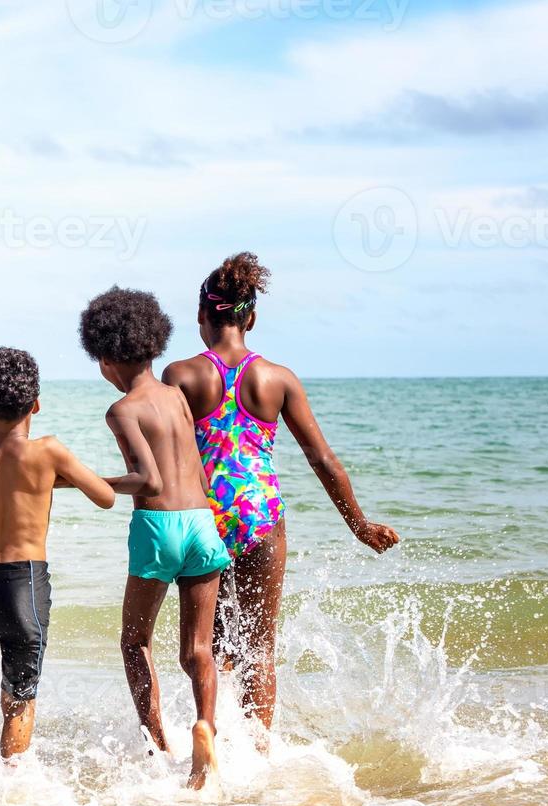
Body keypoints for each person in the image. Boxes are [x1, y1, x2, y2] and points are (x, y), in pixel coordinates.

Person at [163, 253, 400, 731]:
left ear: (202, 316)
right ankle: (258, 754)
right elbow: (323, 459)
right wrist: (359, 525)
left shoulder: (180, 376)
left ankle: (210, 736)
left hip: (201, 518)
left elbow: (173, 456)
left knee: (208, 644)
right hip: (260, 517)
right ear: (251, 317)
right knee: (259, 649)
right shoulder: (278, 379)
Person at [78, 287, 231, 788]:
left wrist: (85, 481)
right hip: (202, 522)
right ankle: (205, 726)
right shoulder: (177, 398)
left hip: (158, 526)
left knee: (134, 640)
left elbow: (148, 480)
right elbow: (193, 470)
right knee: (198, 650)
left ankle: (158, 746)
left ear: (104, 358)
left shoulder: (122, 410)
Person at [0, 347, 115, 760]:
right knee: (20, 696)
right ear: (36, 404)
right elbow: (105, 497)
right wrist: (57, 477)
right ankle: (11, 778)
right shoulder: (49, 452)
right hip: (25, 581)